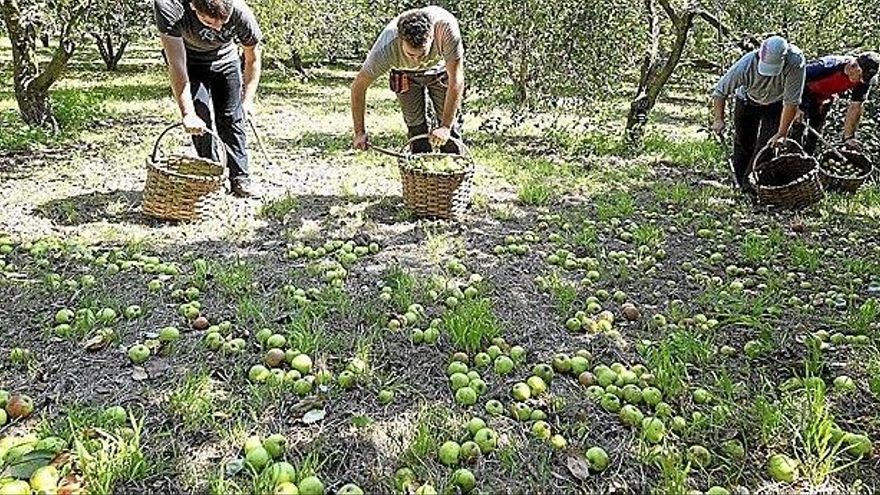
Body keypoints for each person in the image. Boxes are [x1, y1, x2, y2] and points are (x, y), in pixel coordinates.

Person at [153, 0, 263, 198]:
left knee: (232, 118)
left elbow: (252, 58)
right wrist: (188, 114)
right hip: (188, 61)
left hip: (225, 59)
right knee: (199, 119)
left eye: (223, 22)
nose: (219, 28)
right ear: (194, 7)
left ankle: (240, 178)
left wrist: (248, 100)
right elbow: (176, 63)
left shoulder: (240, 12)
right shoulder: (170, 6)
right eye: (210, 22)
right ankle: (212, 176)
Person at [350, 6, 465, 154]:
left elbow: (456, 78)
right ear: (400, 40)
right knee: (415, 126)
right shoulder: (386, 47)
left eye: (422, 54)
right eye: (411, 55)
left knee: (450, 127)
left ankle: (453, 172)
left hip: (440, 72)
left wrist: (445, 127)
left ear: (432, 36)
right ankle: (420, 171)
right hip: (404, 74)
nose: (417, 60)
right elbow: (358, 86)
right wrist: (359, 132)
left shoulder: (446, 30)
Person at [711, 35, 806, 194]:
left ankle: (752, 189)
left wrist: (782, 133)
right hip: (747, 101)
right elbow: (720, 92)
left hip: (776, 105)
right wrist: (718, 119)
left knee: (768, 146)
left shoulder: (796, 62)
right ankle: (740, 184)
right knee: (743, 143)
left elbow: (791, 102)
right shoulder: (745, 65)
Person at [789, 52, 879, 155]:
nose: (861, 80)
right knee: (799, 125)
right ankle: (793, 154)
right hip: (803, 93)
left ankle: (808, 158)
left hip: (823, 99)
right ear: (854, 66)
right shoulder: (826, 66)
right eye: (861, 76)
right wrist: (796, 106)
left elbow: (856, 106)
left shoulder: (863, 81)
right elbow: (796, 79)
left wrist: (849, 137)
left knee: (814, 132)